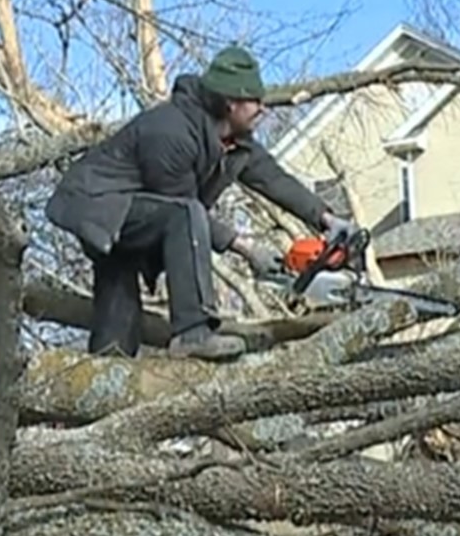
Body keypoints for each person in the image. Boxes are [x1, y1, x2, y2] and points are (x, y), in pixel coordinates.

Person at [45, 45, 358, 360]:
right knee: (184, 214)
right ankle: (193, 332)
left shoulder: (236, 144)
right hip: (98, 205)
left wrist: (327, 219)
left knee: (120, 285)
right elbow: (179, 203)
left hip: (129, 211)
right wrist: (245, 248)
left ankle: (109, 367)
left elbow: (273, 179)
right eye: (254, 101)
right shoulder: (170, 130)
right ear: (230, 103)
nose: (263, 108)